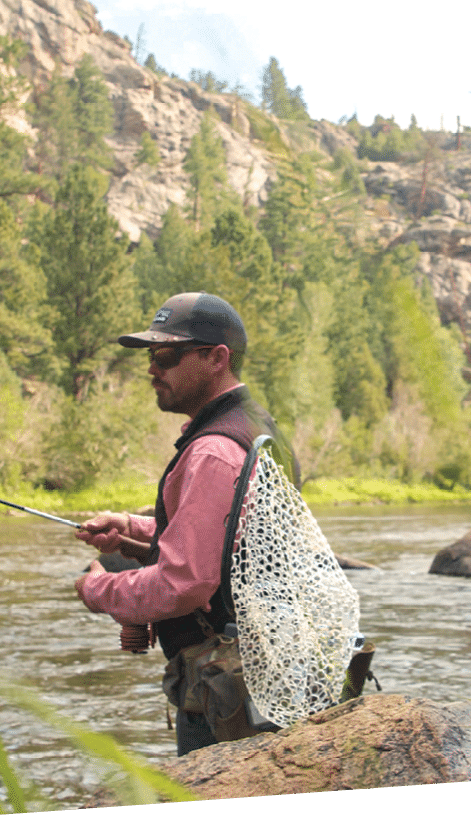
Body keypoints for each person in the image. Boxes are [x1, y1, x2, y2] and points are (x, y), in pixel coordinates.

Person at [73, 291, 298, 756]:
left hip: (228, 692)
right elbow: (230, 538)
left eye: (168, 356)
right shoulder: (257, 425)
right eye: (153, 357)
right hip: (269, 670)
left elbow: (184, 583)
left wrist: (99, 590)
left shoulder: (212, 451)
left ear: (217, 358)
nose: (153, 369)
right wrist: (134, 530)